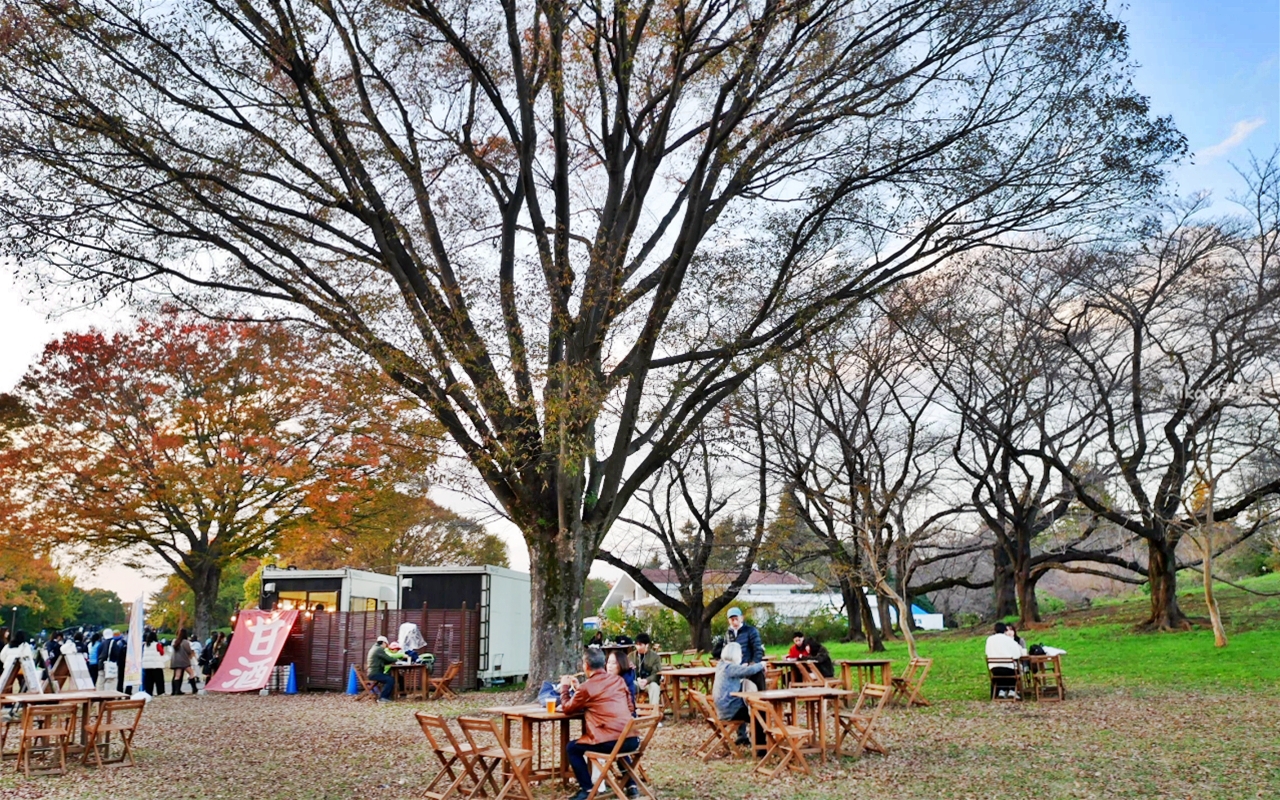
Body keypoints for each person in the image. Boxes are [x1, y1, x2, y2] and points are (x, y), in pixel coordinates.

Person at [560, 647, 638, 800]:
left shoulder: (587, 688)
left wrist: (564, 687)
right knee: (615, 738)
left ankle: (587, 789)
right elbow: (630, 707)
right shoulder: (618, 680)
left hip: (609, 741)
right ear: (603, 664)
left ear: (586, 666)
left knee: (572, 748)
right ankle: (632, 787)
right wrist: (579, 690)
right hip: (631, 739)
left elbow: (567, 708)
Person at [711, 641, 765, 749]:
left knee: (757, 709)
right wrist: (761, 664)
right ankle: (761, 747)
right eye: (740, 653)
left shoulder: (721, 665)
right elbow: (751, 670)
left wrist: (742, 666)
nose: (741, 655)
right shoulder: (729, 668)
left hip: (723, 709)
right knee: (760, 713)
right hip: (731, 711)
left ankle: (752, 740)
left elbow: (741, 670)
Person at [725, 607, 765, 691]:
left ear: (741, 618)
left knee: (757, 689)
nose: (734, 621)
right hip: (735, 669)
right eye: (732, 619)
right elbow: (726, 652)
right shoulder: (728, 633)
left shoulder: (751, 631)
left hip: (750, 667)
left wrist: (752, 665)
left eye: (736, 618)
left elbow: (758, 650)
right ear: (728, 621)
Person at [985, 622, 1026, 699]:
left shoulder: (989, 639)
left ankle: (1001, 691)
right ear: (1005, 630)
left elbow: (987, 652)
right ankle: (1012, 690)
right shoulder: (1009, 640)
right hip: (1009, 669)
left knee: (1001, 671)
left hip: (994, 669)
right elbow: (1017, 654)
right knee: (1017, 668)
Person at [633, 633, 663, 706]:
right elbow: (627, 671)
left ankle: (653, 710)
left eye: (640, 645)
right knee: (627, 685)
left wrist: (647, 680)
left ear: (647, 645)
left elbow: (656, 674)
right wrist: (637, 679)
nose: (638, 647)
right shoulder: (631, 656)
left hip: (649, 683)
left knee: (654, 687)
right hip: (636, 682)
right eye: (636, 645)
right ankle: (630, 710)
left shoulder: (655, 657)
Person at [365, 635, 397, 703]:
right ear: (383, 643)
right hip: (374, 673)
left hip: (373, 672)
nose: (386, 646)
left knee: (390, 676)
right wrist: (396, 659)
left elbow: (385, 660)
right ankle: (383, 698)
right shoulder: (379, 649)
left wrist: (391, 660)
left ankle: (388, 696)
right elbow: (388, 658)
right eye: (386, 644)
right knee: (390, 679)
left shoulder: (375, 648)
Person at [170, 628, 198, 695]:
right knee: (191, 673)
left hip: (175, 660)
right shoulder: (185, 642)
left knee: (177, 675)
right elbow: (189, 651)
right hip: (184, 660)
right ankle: (194, 688)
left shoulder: (175, 641)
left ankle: (176, 690)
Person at [141, 630, 167, 696]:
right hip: (156, 665)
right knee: (159, 680)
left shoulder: (145, 645)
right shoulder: (157, 644)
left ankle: (149, 693)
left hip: (147, 665)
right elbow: (162, 652)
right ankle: (160, 692)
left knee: (149, 681)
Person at [103, 629, 128, 694]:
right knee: (121, 678)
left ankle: (118, 691)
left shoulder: (112, 642)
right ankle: (123, 691)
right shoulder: (123, 642)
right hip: (123, 662)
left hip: (115, 663)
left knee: (116, 679)